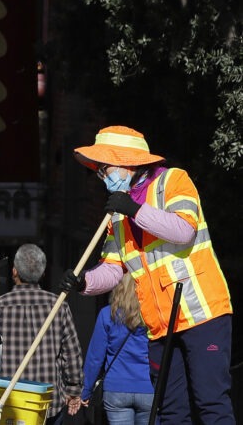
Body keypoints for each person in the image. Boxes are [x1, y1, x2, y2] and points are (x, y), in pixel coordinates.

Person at [63, 126, 234, 424]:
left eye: (105, 169)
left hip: (201, 314)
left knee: (211, 404)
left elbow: (183, 230)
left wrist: (133, 209)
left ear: (128, 163)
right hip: (160, 325)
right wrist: (84, 282)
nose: (102, 177)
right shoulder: (117, 214)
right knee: (170, 412)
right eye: (100, 172)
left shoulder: (173, 181)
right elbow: (114, 268)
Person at [0, 244, 84, 425]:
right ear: (43, 274)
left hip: (10, 402)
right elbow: (72, 353)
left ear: (14, 272)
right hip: (48, 403)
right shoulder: (58, 305)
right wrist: (74, 391)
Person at [81, 273, 153, 425]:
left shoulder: (107, 314)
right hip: (149, 387)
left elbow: (95, 357)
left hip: (116, 388)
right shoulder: (153, 315)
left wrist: (85, 391)